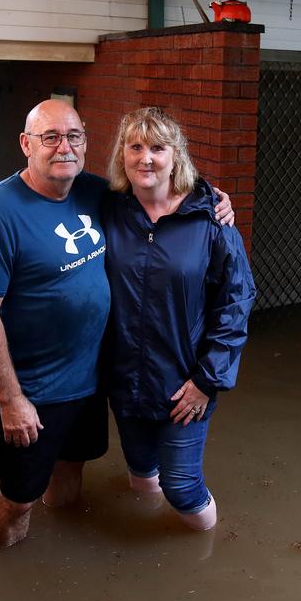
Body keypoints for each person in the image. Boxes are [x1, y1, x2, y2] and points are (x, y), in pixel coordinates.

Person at [0, 99, 233, 548]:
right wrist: (11, 400)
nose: (63, 147)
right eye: (50, 137)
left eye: (73, 136)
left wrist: (214, 198)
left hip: (91, 381)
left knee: (72, 466)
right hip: (34, 389)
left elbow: (162, 184)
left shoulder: (95, 193)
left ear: (86, 143)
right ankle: (1, 566)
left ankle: (66, 539)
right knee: (19, 496)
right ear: (26, 144)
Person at [101, 107, 256, 531]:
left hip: (186, 382)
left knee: (182, 487)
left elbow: (237, 302)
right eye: (135, 147)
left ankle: (210, 555)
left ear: (177, 156)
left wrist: (208, 380)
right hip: (125, 378)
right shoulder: (110, 209)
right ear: (122, 156)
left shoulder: (211, 219)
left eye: (157, 148)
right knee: (139, 473)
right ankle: (144, 557)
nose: (145, 158)